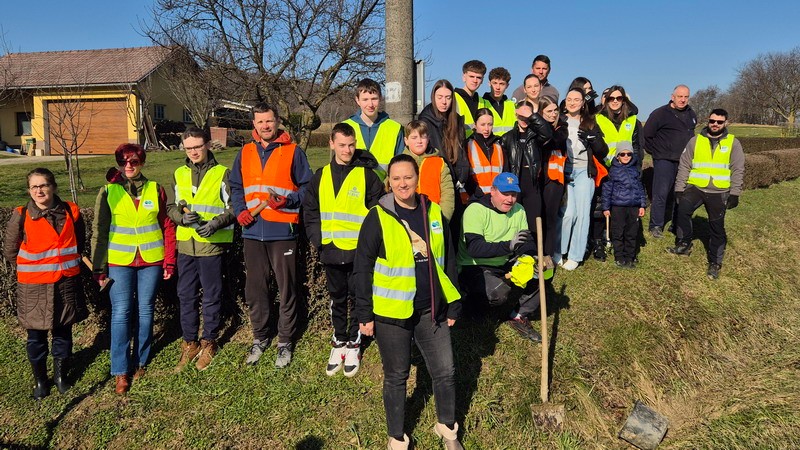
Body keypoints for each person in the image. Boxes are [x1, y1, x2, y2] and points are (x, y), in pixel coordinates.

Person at [354, 154, 463, 450]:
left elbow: (448, 259)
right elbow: (362, 268)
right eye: (396, 178)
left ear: (417, 179)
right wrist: (364, 314)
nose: (403, 183)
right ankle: (397, 437)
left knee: (445, 371)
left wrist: (453, 301)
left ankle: (447, 427)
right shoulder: (378, 217)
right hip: (392, 314)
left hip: (431, 309)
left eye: (408, 177)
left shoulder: (434, 211)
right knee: (396, 376)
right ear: (389, 182)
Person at [229, 102, 313, 368]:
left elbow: (308, 188)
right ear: (253, 124)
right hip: (253, 231)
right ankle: (260, 337)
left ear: (277, 121)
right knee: (256, 290)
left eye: (269, 120)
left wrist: (288, 201)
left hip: (282, 230)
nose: (265, 126)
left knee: (286, 288)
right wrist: (240, 211)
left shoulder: (293, 152)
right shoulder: (245, 152)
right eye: (260, 121)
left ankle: (285, 341)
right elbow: (236, 186)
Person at [91, 144, 177, 394]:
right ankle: (120, 370)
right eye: (123, 161)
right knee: (121, 313)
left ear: (142, 162)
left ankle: (140, 360)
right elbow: (99, 231)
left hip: (151, 260)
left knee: (146, 310)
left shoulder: (155, 189)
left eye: (134, 161)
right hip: (120, 261)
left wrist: (169, 260)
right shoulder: (108, 191)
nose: (128, 166)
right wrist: (98, 268)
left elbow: (167, 227)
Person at [303, 122, 384, 377]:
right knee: (336, 298)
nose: (347, 150)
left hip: (358, 253)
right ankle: (339, 340)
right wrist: (318, 240)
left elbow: (377, 214)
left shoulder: (367, 176)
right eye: (342, 145)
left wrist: (368, 247)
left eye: (351, 145)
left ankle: (354, 343)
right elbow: (310, 210)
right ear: (331, 144)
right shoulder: (321, 176)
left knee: (359, 297)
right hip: (330, 249)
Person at [3, 168, 87, 400]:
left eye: (43, 185)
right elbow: (10, 251)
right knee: (36, 337)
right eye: (34, 187)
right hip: (33, 287)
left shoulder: (71, 211)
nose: (39, 191)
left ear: (53, 187)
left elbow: (79, 243)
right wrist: (35, 267)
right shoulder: (21, 215)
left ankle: (60, 377)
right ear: (29, 190)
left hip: (64, 283)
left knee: (63, 331)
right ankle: (40, 380)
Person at [166, 127, 236, 372]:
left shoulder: (222, 173)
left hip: (211, 246)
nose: (193, 152)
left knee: (211, 296)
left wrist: (215, 224)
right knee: (185, 295)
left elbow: (234, 207)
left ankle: (209, 342)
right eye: (189, 148)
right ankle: (190, 343)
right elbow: (171, 206)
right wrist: (181, 218)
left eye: (197, 146)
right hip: (186, 245)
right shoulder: (179, 173)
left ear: (207, 144)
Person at [458, 172, 543, 342]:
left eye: (513, 194)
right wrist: (508, 246)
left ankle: (519, 315)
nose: (510, 199)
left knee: (542, 270)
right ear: (493, 191)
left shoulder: (519, 210)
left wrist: (530, 256)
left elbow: (526, 241)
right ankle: (470, 303)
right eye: (505, 194)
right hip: (475, 266)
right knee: (497, 293)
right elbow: (475, 249)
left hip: (505, 261)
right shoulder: (475, 210)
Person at [668, 109, 744, 280]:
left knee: (716, 226)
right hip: (696, 188)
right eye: (712, 121)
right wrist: (679, 188)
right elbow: (685, 165)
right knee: (682, 211)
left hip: (719, 191)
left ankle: (715, 261)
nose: (715, 124)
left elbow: (738, 169)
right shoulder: (695, 140)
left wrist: (735, 193)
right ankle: (684, 243)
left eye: (719, 122)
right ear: (708, 121)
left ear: (725, 123)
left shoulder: (733, 143)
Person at [555, 88, 609, 271]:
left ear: (582, 103)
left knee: (583, 214)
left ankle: (575, 255)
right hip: (565, 170)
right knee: (568, 213)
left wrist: (593, 139)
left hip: (584, 172)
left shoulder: (590, 122)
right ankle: (559, 250)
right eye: (569, 99)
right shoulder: (560, 120)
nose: (572, 103)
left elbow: (603, 150)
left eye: (576, 99)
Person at [591, 85, 644, 261]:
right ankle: (600, 241)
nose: (615, 101)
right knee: (602, 207)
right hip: (605, 168)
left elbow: (637, 146)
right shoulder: (598, 118)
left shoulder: (633, 120)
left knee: (626, 208)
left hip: (627, 169)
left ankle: (627, 245)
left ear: (624, 100)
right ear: (605, 101)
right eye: (611, 98)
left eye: (618, 98)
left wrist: (637, 168)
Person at [643, 85, 697, 238]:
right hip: (664, 160)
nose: (683, 100)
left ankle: (676, 223)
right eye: (680, 96)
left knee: (679, 193)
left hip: (684, 161)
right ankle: (656, 225)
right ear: (672, 97)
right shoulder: (660, 114)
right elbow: (647, 136)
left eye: (686, 97)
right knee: (661, 193)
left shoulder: (691, 114)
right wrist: (656, 153)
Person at [500, 100, 553, 231]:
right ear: (516, 115)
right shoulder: (507, 138)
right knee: (514, 225)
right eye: (521, 115)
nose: (524, 119)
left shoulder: (536, 136)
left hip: (532, 186)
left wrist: (532, 116)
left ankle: (533, 245)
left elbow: (547, 133)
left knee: (534, 225)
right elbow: (505, 166)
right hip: (514, 187)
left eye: (526, 116)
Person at [342, 78, 404, 175]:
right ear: (357, 100)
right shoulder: (345, 127)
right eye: (365, 99)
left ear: (380, 98)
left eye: (374, 99)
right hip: (352, 184)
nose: (370, 104)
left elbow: (401, 165)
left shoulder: (395, 128)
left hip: (384, 184)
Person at [602, 142, 647, 268]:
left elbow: (640, 188)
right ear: (618, 156)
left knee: (632, 233)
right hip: (618, 206)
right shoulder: (613, 171)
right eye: (622, 154)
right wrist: (606, 207)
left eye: (629, 154)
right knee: (618, 232)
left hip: (634, 206)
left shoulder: (635, 170)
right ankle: (619, 256)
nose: (626, 156)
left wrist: (642, 205)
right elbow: (607, 190)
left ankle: (630, 256)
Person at [402, 120, 456, 219]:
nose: (419, 141)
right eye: (414, 137)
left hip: (433, 217)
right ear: (406, 141)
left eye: (423, 137)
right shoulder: (398, 163)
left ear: (428, 139)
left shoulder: (439, 162)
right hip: (405, 217)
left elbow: (448, 194)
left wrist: (442, 219)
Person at [538, 96, 568, 264]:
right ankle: (536, 251)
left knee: (550, 217)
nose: (553, 113)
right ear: (541, 112)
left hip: (554, 179)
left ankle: (548, 254)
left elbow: (552, 141)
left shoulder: (562, 128)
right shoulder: (535, 127)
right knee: (538, 215)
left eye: (555, 110)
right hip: (537, 177)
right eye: (549, 111)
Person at [464, 108, 504, 199]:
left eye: (490, 124)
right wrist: (478, 194)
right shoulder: (467, 145)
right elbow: (465, 174)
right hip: (475, 197)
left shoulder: (499, 144)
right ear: (475, 125)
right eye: (482, 125)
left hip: (496, 198)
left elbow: (504, 171)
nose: (486, 129)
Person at [454, 59, 486, 138]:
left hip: (478, 144)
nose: (475, 80)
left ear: (482, 80)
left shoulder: (483, 102)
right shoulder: (452, 98)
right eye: (471, 76)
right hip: (459, 143)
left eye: (478, 77)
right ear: (464, 77)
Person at [480, 67, 517, 136]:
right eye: (495, 83)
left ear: (507, 86)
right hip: (489, 143)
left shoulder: (512, 105)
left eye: (502, 84)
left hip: (509, 143)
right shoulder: (481, 103)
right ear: (489, 83)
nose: (497, 87)